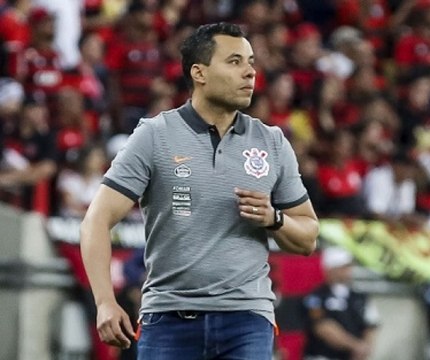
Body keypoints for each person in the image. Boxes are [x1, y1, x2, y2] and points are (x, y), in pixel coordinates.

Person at [79, 22, 319, 360]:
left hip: (247, 320)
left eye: (251, 62)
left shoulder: (272, 142)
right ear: (199, 73)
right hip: (168, 320)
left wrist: (274, 218)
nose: (250, 72)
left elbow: (308, 236)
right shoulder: (155, 135)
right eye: (235, 62)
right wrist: (105, 302)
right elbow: (96, 221)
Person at [302, 246, 379, 360]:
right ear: (331, 269)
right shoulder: (316, 297)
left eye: (349, 266)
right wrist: (355, 346)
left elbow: (370, 324)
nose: (349, 270)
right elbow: (323, 327)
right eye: (344, 267)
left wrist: (364, 349)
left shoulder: (360, 296)